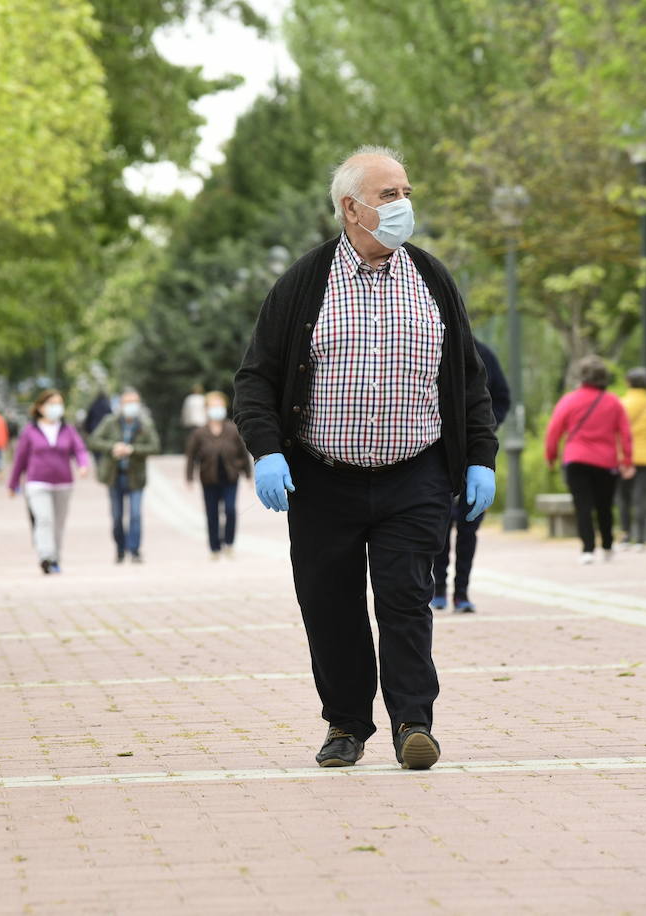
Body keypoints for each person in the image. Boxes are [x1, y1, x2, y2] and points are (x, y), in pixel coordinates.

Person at [233, 146, 498, 772]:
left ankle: (414, 722)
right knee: (331, 605)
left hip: (415, 474)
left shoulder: (432, 279)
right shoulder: (306, 283)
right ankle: (347, 723)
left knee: (406, 599)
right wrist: (268, 452)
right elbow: (255, 380)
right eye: (388, 195)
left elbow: (469, 380)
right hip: (324, 480)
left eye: (405, 192)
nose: (403, 205)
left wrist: (480, 457)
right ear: (351, 208)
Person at [431, 340, 509, 613]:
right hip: (437, 451)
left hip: (474, 453)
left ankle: (461, 592)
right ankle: (437, 588)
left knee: (469, 524)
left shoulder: (482, 353)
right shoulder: (431, 344)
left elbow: (501, 398)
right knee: (437, 525)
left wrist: (483, 429)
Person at [544, 356, 634, 563]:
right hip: (606, 462)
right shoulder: (614, 402)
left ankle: (587, 549)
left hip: (576, 459)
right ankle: (608, 545)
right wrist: (627, 461)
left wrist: (551, 455)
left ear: (582, 376)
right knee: (605, 505)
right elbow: (625, 433)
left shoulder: (569, 400)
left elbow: (554, 430)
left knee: (582, 505)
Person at [8, 390, 90, 574]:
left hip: (63, 482)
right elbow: (19, 459)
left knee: (58, 523)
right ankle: (45, 556)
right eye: (51, 403)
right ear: (40, 407)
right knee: (44, 519)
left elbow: (80, 450)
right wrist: (12, 484)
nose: (55, 407)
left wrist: (83, 465)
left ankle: (55, 557)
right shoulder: (30, 431)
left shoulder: (67, 429)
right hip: (37, 483)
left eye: (59, 403)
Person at [88, 387, 160, 563]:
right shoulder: (110, 422)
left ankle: (134, 550)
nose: (131, 406)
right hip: (114, 475)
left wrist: (133, 450)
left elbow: (155, 447)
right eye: (128, 402)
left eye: (134, 402)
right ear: (120, 404)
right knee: (117, 516)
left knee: (135, 514)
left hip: (136, 476)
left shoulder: (145, 424)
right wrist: (113, 447)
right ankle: (120, 549)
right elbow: (93, 441)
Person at [185, 391, 251, 559]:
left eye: (219, 406)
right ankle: (214, 548)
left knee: (230, 510)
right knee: (212, 513)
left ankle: (229, 543)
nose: (217, 409)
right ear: (207, 409)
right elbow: (191, 456)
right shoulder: (200, 433)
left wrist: (248, 474)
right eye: (213, 406)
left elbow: (243, 453)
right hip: (209, 478)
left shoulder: (233, 429)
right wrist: (189, 478)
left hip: (230, 477)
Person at [617, 368, 646, 551]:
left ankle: (626, 534)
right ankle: (641, 539)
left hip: (623, 458)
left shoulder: (621, 404)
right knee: (642, 498)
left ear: (628, 382)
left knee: (623, 498)